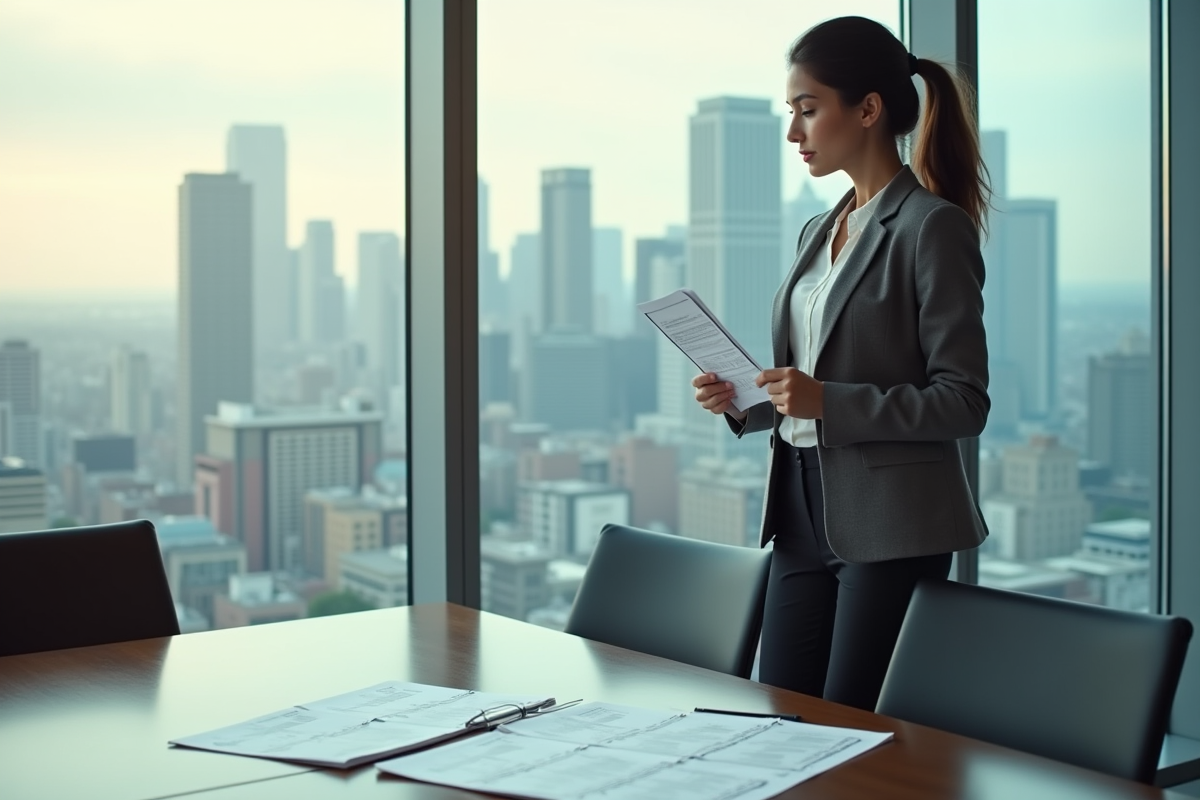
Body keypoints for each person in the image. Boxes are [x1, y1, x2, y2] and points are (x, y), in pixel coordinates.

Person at [691, 15, 991, 711]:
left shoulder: (931, 228)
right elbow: (808, 387)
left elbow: (963, 400)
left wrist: (828, 401)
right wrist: (743, 398)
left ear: (867, 109)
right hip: (797, 505)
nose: (794, 133)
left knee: (850, 732)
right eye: (790, 113)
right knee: (781, 714)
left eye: (807, 110)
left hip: (889, 521)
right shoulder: (819, 228)